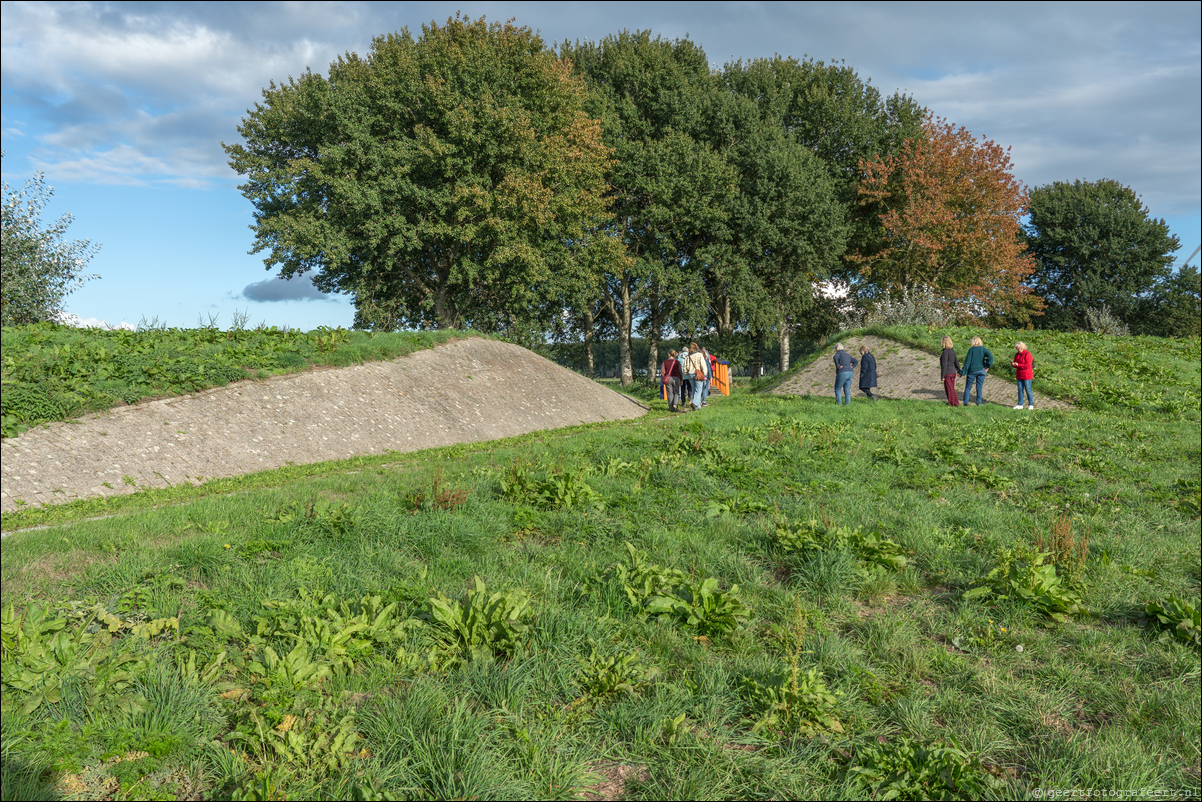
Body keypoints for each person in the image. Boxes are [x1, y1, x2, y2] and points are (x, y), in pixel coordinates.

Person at [961, 336, 993, 406]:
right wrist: (987, 366)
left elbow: (967, 362)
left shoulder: (971, 350)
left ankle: (966, 402)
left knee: (968, 387)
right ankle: (979, 402)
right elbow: (991, 357)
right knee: (979, 387)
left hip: (972, 371)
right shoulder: (984, 349)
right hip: (982, 370)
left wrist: (962, 372)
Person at [684, 342, 709, 411]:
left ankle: (697, 407)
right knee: (698, 390)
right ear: (696, 348)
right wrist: (704, 373)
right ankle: (694, 403)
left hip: (690, 374)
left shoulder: (688, 356)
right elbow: (703, 365)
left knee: (694, 390)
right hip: (698, 374)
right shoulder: (699, 355)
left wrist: (687, 373)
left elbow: (685, 367)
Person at [939, 336, 961, 407]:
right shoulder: (952, 350)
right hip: (953, 372)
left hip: (947, 373)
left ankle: (953, 403)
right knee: (952, 388)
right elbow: (956, 361)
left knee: (949, 389)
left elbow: (944, 365)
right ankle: (954, 402)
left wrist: (942, 376)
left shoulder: (945, 352)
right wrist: (958, 370)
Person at [1012, 342, 1034, 410]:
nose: (1017, 350)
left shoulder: (1028, 354)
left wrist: (1018, 365)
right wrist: (1014, 364)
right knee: (1020, 390)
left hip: (1027, 375)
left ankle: (1031, 404)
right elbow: (1016, 363)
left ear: (1022, 347)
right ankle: (1020, 404)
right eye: (1016, 348)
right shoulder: (1017, 354)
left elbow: (1028, 365)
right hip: (1019, 374)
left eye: (1018, 348)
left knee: (1028, 389)